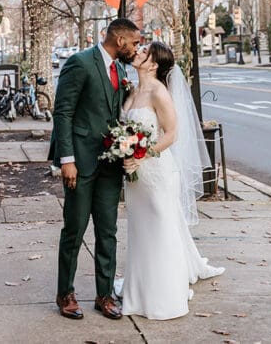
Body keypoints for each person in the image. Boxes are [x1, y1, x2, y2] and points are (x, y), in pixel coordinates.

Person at [118, 41, 224, 319]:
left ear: (153, 64)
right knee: (141, 230)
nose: (138, 53)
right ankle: (139, 288)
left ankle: (165, 292)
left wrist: (142, 155)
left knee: (162, 227)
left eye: (144, 52)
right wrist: (124, 150)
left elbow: (171, 134)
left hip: (157, 172)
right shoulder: (132, 90)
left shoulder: (159, 92)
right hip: (134, 175)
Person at [50, 18, 141, 320]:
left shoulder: (121, 69)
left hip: (110, 164)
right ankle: (66, 293)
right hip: (81, 163)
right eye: (135, 42)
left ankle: (104, 295)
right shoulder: (80, 63)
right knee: (74, 230)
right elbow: (63, 112)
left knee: (108, 231)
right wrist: (67, 160)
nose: (136, 48)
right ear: (118, 38)